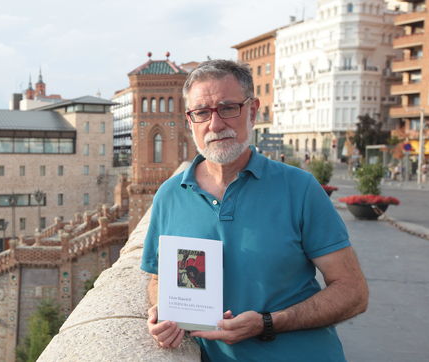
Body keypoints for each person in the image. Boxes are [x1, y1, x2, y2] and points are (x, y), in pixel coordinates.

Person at [141, 60, 368, 361]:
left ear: (252, 111)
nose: (215, 124)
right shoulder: (170, 196)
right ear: (190, 120)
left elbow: (353, 292)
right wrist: (163, 314)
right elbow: (158, 278)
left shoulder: (299, 188)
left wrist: (268, 323)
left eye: (228, 108)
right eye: (202, 113)